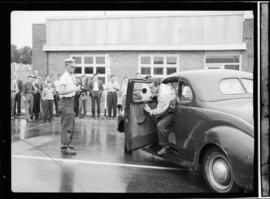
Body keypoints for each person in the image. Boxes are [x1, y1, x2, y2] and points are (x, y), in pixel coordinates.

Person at [144, 79, 176, 155]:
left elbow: (160, 110)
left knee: (160, 125)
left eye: (152, 88)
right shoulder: (162, 87)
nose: (150, 90)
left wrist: (149, 111)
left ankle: (165, 147)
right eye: (149, 88)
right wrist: (155, 95)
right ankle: (156, 141)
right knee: (158, 119)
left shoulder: (163, 94)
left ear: (158, 85)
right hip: (170, 108)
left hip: (174, 111)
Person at [58, 58, 80, 155]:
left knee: (71, 124)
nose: (73, 68)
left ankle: (68, 143)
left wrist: (76, 90)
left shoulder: (71, 76)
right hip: (66, 102)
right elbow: (61, 91)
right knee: (66, 124)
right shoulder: (64, 77)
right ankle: (64, 146)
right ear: (66, 66)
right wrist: (74, 89)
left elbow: (70, 88)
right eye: (72, 66)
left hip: (71, 101)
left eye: (74, 66)